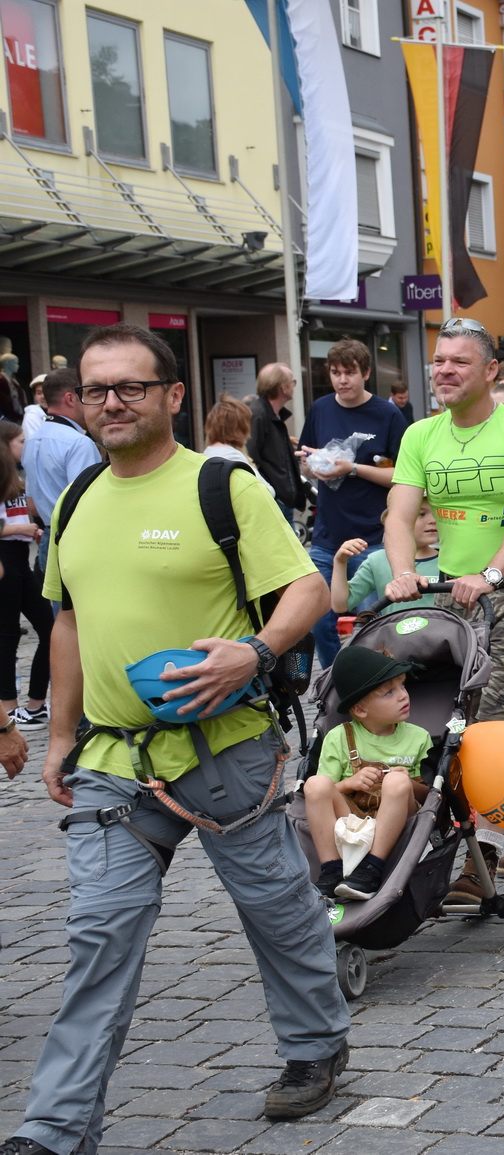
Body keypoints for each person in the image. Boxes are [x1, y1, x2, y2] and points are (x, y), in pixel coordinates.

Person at [8, 324, 346, 1155]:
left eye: (130, 386)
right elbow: (69, 620)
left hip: (228, 751)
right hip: (114, 761)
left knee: (278, 910)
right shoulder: (79, 499)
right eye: (96, 389)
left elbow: (304, 589)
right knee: (99, 934)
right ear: (76, 403)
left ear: (172, 396)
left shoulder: (221, 487)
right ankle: (55, 1131)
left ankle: (315, 1044)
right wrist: (59, 738)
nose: (112, 402)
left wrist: (257, 652)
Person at [383, 318, 504, 888]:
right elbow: (400, 515)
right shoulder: (420, 436)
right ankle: (468, 835)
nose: (444, 371)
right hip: (449, 596)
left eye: (459, 362)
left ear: (489, 372)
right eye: (439, 361)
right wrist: (403, 572)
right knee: (450, 718)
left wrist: (491, 572)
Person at [299, 338, 409, 666]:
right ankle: (335, 681)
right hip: (328, 536)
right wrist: (310, 465)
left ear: (366, 373)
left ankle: (377, 684)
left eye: (349, 372)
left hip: (374, 537)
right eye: (335, 373)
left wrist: (353, 469)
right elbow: (307, 458)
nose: (342, 380)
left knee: (371, 624)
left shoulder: (387, 414)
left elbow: (403, 477)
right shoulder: (320, 408)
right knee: (318, 621)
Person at [302, 647, 433, 901]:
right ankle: (331, 869)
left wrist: (405, 780)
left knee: (396, 780)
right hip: (351, 819)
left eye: (403, 687)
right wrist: (350, 783)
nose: (403, 696)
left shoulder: (418, 737)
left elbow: (430, 794)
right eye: (389, 693)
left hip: (399, 821)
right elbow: (327, 789)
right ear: (361, 710)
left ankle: (372, 866)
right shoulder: (340, 737)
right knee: (316, 784)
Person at [0, 421, 51, 730]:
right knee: (6, 637)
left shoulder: (19, 478)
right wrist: (21, 528)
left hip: (21, 559)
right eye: (21, 441)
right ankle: (8, 709)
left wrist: (35, 527)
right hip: (4, 560)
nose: (26, 445)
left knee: (50, 629)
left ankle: (34, 705)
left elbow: (29, 511)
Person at [21, 368, 102, 555]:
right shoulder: (79, 443)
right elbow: (90, 505)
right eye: (86, 395)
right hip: (78, 540)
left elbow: (31, 506)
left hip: (48, 540)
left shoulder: (31, 442)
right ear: (71, 399)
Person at [331, 501, 441, 618]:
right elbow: (340, 605)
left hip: (442, 635)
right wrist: (340, 561)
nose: (433, 520)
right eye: (421, 514)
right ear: (391, 521)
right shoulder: (377, 560)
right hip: (394, 635)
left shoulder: (448, 562)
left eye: (437, 513)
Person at [246, 363, 305, 518]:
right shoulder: (258, 414)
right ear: (283, 388)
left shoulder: (272, 414)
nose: (294, 386)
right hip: (275, 502)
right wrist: (270, 492)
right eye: (292, 382)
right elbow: (249, 458)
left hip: (281, 501)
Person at [203, 395, 260, 475]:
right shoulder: (231, 456)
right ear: (239, 427)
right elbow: (256, 485)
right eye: (247, 422)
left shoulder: (210, 452)